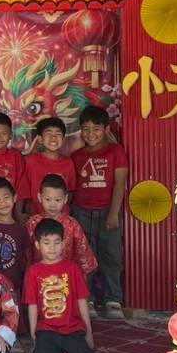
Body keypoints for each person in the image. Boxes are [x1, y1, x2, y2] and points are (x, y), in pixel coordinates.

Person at [70, 105, 128, 316]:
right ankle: (88, 299)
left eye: (96, 129)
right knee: (84, 257)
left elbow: (120, 183)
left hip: (108, 212)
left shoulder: (115, 151)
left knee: (111, 256)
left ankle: (113, 300)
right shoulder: (76, 156)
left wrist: (113, 213)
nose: (91, 134)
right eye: (86, 129)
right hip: (81, 211)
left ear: (106, 129)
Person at [24, 219, 94, 353]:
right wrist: (33, 335)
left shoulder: (72, 268)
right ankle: (60, 346)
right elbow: (32, 305)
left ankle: (64, 345)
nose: (52, 248)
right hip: (47, 328)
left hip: (72, 327)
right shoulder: (33, 271)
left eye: (57, 242)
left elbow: (82, 300)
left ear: (63, 244)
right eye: (46, 242)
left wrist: (89, 333)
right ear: (37, 245)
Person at [25, 174, 97, 278]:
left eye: (57, 200)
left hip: (67, 277)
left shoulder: (73, 225)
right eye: (48, 199)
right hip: (38, 277)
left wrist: (81, 281)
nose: (52, 205)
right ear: (40, 197)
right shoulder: (32, 223)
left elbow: (82, 255)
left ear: (65, 198)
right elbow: (26, 254)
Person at [22, 117, 76, 211]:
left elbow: (70, 191)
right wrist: (20, 211)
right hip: (35, 213)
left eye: (58, 134)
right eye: (49, 134)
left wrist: (63, 209)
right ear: (40, 139)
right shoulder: (30, 161)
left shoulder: (68, 163)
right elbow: (23, 189)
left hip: (60, 214)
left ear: (63, 140)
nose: (53, 137)